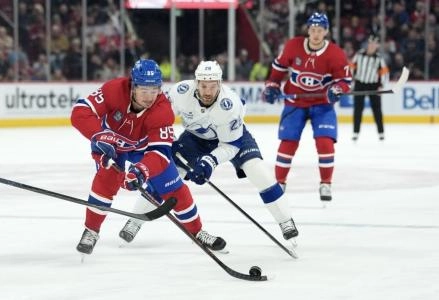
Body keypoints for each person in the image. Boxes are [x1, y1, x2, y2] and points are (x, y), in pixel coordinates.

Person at [120, 60, 299, 243]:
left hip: (233, 139)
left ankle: (286, 221)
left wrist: (210, 161)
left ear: (219, 84)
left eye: (212, 86)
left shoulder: (230, 104)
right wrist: (168, 141)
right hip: (194, 139)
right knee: (165, 176)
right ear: (196, 83)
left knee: (258, 171)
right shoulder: (181, 92)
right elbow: (161, 119)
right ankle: (135, 221)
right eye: (203, 85)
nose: (207, 91)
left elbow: (230, 145)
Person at [71, 59, 226, 255]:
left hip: (145, 149)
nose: (150, 96)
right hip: (113, 145)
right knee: (106, 180)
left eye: (155, 90)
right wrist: (98, 136)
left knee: (175, 188)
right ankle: (91, 230)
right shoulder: (114, 90)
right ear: (133, 86)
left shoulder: (162, 109)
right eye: (144, 90)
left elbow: (160, 153)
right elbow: (80, 112)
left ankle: (197, 232)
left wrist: (141, 170)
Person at [262, 12, 352, 202]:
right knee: (288, 142)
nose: (316, 34)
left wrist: (337, 89)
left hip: (322, 104)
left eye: (320, 30)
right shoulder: (293, 46)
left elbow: (345, 81)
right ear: (308, 30)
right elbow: (277, 71)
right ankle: (280, 183)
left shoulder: (335, 53)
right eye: (313, 30)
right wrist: (272, 86)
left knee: (325, 142)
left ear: (326, 31)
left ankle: (325, 183)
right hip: (295, 102)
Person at [351, 34, 389, 141]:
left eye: (374, 44)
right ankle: (355, 132)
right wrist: (350, 81)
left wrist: (381, 86)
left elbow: (385, 73)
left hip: (373, 85)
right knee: (358, 109)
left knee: (377, 110)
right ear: (368, 44)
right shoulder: (359, 54)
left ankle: (381, 133)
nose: (372, 46)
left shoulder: (379, 58)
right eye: (371, 43)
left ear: (377, 45)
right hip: (359, 83)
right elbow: (351, 68)